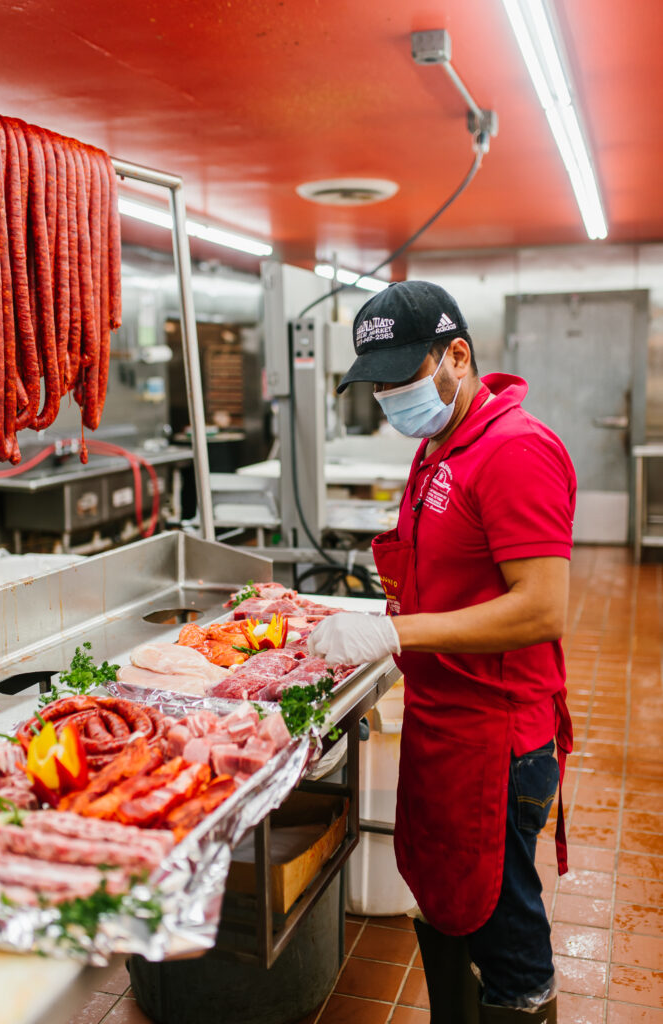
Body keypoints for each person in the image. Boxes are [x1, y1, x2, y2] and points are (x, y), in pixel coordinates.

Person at [308, 281, 575, 1024]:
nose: (391, 397)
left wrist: (396, 634)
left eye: (403, 377)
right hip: (440, 725)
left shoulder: (517, 451)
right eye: (380, 384)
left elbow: (540, 608)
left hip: (497, 741)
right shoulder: (438, 448)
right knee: (446, 901)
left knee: (507, 938)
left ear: (458, 354)